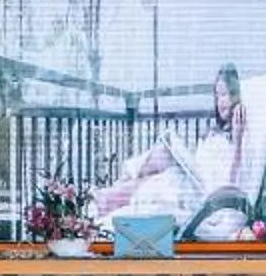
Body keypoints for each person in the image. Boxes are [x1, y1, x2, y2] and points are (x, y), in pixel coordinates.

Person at [93, 66, 248, 223]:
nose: (223, 101)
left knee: (160, 172)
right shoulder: (215, 133)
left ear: (238, 97)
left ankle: (111, 194)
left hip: (203, 194)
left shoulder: (239, 138)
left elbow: (231, 185)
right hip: (195, 181)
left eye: (228, 94)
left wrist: (238, 140)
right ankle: (114, 191)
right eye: (219, 95)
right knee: (162, 156)